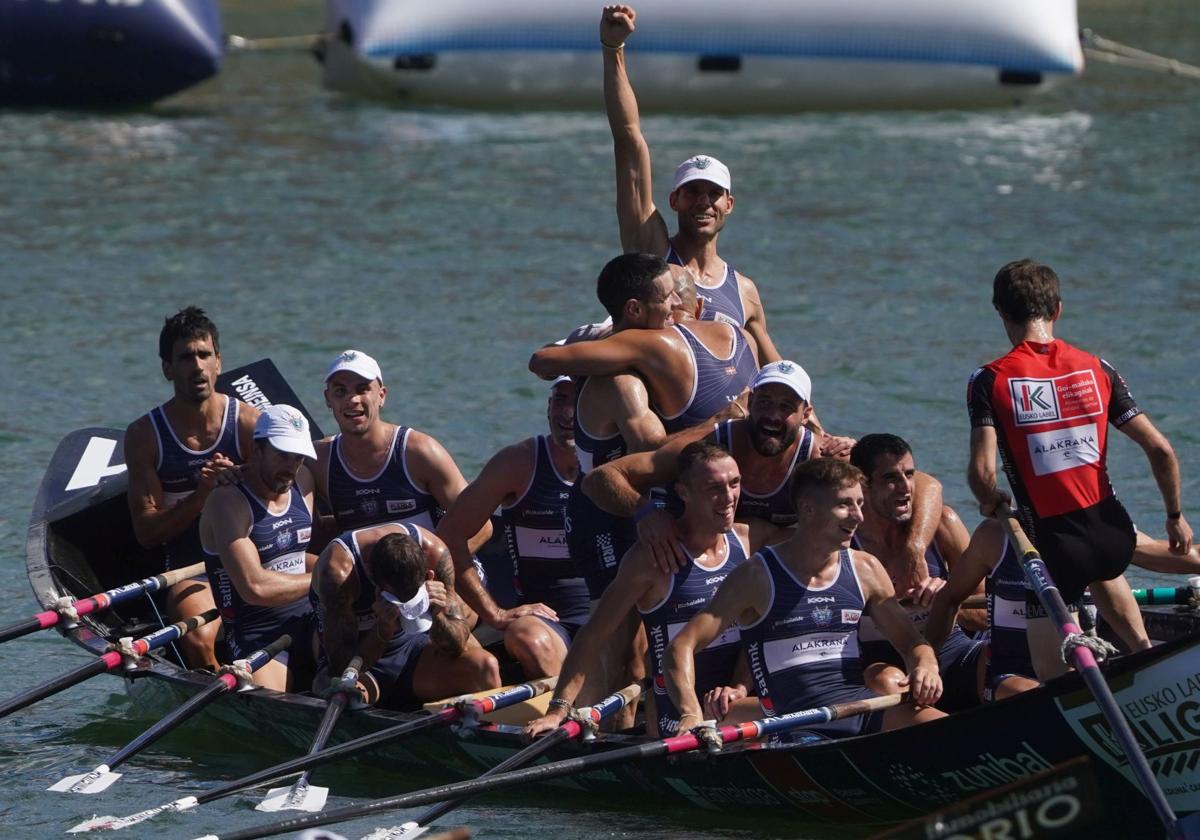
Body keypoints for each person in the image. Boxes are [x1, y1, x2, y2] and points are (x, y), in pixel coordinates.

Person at [967, 259, 1193, 677]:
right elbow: (1161, 449)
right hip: (1113, 532)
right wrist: (1175, 517)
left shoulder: (990, 380)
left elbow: (983, 473)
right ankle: (1147, 657)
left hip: (1054, 547)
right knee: (1105, 571)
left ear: (1000, 311)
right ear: (1057, 310)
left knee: (1051, 683)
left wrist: (989, 500)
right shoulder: (1099, 368)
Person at [583, 362, 946, 599]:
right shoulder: (713, 444)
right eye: (765, 402)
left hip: (762, 575)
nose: (772, 416)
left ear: (806, 414)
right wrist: (646, 513)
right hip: (689, 558)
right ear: (750, 401)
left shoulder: (822, 456)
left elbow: (925, 484)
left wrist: (914, 548)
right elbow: (601, 479)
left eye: (786, 407)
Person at [664, 458, 944, 739]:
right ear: (808, 509)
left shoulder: (865, 569)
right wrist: (690, 713)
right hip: (792, 723)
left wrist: (926, 666)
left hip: (858, 709)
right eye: (845, 504)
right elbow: (681, 646)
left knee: (945, 730)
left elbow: (912, 642)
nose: (858, 516)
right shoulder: (756, 576)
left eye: (860, 503)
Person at [525, 442, 778, 738]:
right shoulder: (651, 560)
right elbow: (593, 635)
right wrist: (558, 709)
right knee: (777, 709)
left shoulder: (749, 541)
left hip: (730, 704)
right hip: (679, 721)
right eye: (713, 488)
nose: (728, 497)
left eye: (734, 484)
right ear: (684, 493)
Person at [600, 4, 780, 367]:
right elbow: (629, 140)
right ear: (674, 201)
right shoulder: (652, 254)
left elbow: (776, 374)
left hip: (722, 418)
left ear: (729, 204)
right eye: (692, 192)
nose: (703, 202)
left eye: (714, 194)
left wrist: (818, 425)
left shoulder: (744, 291)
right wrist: (613, 50)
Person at [125, 306, 257, 670]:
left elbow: (284, 500)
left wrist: (246, 479)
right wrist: (202, 495)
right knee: (197, 639)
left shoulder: (248, 423)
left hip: (256, 555)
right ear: (167, 368)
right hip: (192, 567)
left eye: (204, 355)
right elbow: (147, 533)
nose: (197, 366)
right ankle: (235, 709)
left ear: (219, 362)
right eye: (185, 357)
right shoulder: (144, 436)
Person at [435, 377, 590, 678]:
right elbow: (449, 537)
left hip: (607, 616)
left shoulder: (622, 460)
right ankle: (566, 711)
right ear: (548, 408)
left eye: (579, 400)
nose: (568, 413)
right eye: (560, 399)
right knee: (525, 637)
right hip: (547, 622)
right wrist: (495, 614)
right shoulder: (518, 463)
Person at [529, 260, 759, 438]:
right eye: (667, 296)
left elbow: (542, 362)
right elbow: (542, 361)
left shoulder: (632, 341)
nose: (676, 303)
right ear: (635, 309)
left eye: (677, 295)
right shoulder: (738, 333)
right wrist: (720, 420)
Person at [848, 434, 984, 711]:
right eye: (890, 478)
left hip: (951, 649)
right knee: (887, 681)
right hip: (883, 663)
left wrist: (947, 600)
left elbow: (985, 613)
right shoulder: (846, 544)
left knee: (1002, 659)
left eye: (909, 475)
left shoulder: (944, 524)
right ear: (863, 483)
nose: (905, 488)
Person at [311, 522, 500, 707]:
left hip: (415, 647)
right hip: (362, 662)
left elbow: (456, 644)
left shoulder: (436, 552)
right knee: (346, 699)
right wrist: (382, 630)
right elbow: (341, 666)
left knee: (485, 666)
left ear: (429, 574)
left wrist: (438, 613)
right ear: (375, 582)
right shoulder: (338, 576)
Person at [314, 349, 487, 550]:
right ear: (328, 399)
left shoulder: (419, 452)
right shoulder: (318, 461)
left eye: (362, 389)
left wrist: (435, 568)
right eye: (340, 391)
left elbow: (482, 526)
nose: (352, 399)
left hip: (430, 572)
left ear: (382, 396)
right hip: (369, 575)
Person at [199, 405, 318, 692]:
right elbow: (255, 588)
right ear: (256, 449)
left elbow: (299, 559)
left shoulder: (303, 480)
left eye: (298, 456)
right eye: (282, 454)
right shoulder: (227, 501)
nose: (291, 466)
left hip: (311, 618)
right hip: (256, 634)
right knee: (277, 708)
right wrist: (326, 577)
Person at [925, 518, 1042, 703]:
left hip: (1073, 670)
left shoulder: (1093, 536)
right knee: (1034, 694)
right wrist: (926, 662)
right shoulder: (994, 536)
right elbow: (948, 599)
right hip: (1008, 676)